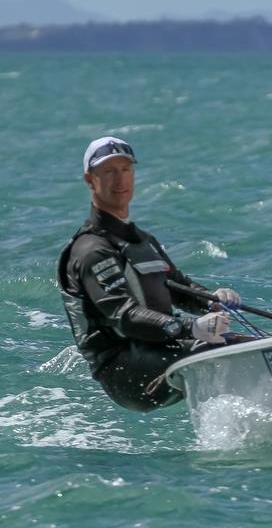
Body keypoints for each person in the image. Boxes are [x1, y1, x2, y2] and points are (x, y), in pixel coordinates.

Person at [57, 135, 242, 412]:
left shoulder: (143, 241)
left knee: (250, 346)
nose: (119, 180)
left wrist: (210, 300)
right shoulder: (91, 250)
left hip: (163, 347)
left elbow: (178, 287)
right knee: (220, 354)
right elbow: (124, 315)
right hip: (124, 369)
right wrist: (191, 327)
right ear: (90, 179)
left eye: (125, 170)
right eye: (108, 172)